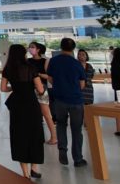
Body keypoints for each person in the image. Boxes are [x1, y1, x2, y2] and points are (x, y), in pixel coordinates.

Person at [1, 44, 45, 179]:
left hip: (17, 105)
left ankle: (25, 173)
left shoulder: (8, 69)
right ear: (23, 54)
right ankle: (35, 168)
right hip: (31, 104)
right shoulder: (31, 68)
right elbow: (41, 90)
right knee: (34, 134)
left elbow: (3, 88)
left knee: (19, 135)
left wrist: (14, 89)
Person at [47, 38, 87, 167]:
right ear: (73, 48)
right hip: (75, 100)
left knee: (61, 125)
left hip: (59, 99)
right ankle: (78, 158)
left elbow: (50, 78)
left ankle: (62, 149)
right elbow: (82, 84)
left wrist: (59, 87)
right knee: (76, 129)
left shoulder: (54, 61)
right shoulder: (77, 64)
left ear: (61, 47)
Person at [28, 42, 58, 145]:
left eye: (32, 47)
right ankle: (36, 137)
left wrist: (37, 74)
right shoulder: (28, 61)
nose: (30, 49)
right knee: (33, 115)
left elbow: (49, 77)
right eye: (29, 47)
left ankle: (54, 137)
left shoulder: (45, 61)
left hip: (41, 89)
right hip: (30, 89)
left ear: (38, 49)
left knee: (46, 114)